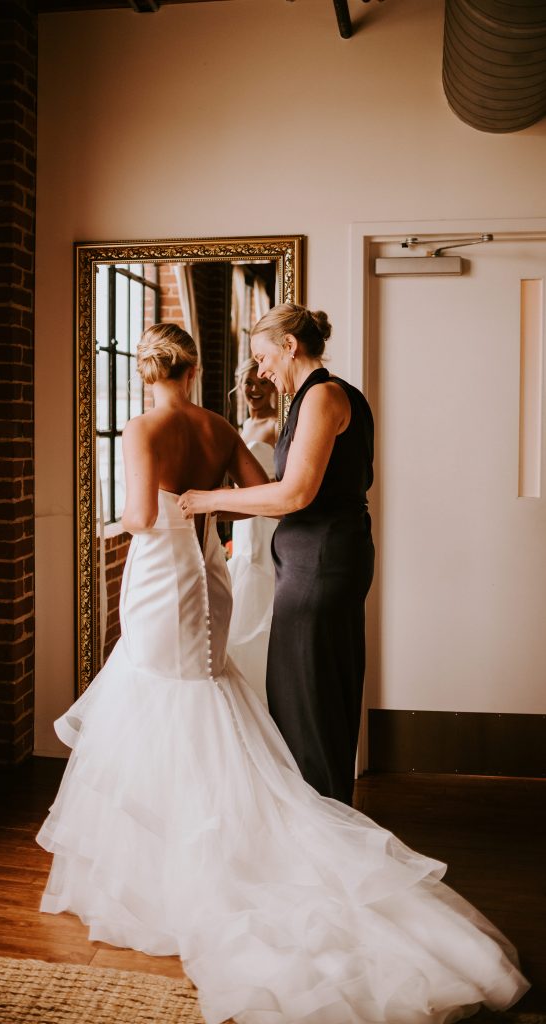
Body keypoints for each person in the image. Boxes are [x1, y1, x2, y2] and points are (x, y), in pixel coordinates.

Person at [37, 321, 528, 1024]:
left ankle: (185, 863)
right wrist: (234, 464)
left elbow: (144, 515)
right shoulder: (217, 427)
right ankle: (222, 839)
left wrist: (113, 522)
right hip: (208, 576)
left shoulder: (142, 427)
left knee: (156, 700)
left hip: (159, 576)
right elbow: (261, 487)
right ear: (191, 366)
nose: (260, 364)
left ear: (147, 371)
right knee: (203, 698)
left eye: (265, 352)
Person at [181, 303, 374, 806]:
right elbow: (281, 492)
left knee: (312, 702)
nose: (261, 371)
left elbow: (294, 496)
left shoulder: (324, 397)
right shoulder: (313, 399)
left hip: (321, 565)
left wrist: (211, 500)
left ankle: (326, 824)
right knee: (303, 698)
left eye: (264, 357)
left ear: (290, 346)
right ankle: (321, 818)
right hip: (314, 562)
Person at [226, 358, 278, 704]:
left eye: (261, 381)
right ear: (239, 386)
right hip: (243, 522)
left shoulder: (277, 425)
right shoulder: (242, 425)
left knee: (263, 580)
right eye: (248, 382)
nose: (255, 389)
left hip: (266, 519)